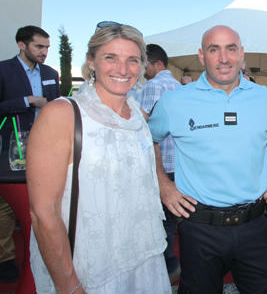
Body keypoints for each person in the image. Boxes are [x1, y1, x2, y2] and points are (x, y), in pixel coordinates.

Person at [27, 24, 171, 294]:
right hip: (90, 268)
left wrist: (164, 185)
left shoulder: (139, 114)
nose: (123, 68)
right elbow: (43, 211)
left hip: (143, 258)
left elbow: (146, 155)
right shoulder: (62, 115)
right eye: (110, 58)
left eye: (132, 60)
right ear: (91, 61)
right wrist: (68, 285)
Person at [148, 25, 267, 294]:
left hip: (255, 225)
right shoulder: (174, 101)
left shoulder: (264, 98)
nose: (223, 58)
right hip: (200, 228)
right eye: (214, 49)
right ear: (202, 56)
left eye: (231, 49)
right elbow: (146, 140)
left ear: (241, 54)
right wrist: (163, 185)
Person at [0, 25, 59, 283]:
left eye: (47, 47)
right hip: (11, 147)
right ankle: (5, 258)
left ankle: (44, 252)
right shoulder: (3, 69)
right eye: (39, 46)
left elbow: (56, 106)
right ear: (21, 45)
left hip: (45, 146)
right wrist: (27, 101)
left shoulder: (50, 72)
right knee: (6, 206)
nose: (44, 52)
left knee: (44, 200)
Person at [140, 43, 182, 283]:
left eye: (144, 64)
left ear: (157, 64)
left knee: (162, 219)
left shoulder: (152, 86)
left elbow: (144, 128)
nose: (143, 70)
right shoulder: (179, 87)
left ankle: (168, 263)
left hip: (160, 166)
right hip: (180, 164)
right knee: (177, 216)